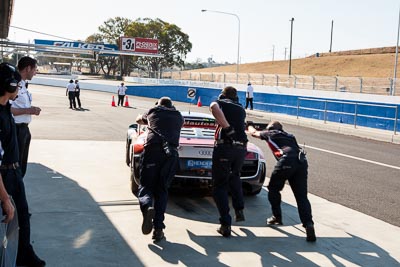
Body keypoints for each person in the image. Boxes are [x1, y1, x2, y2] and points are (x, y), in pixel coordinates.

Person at [0, 62, 46, 266]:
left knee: (23, 216)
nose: (19, 88)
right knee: (10, 215)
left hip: (14, 171)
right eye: (16, 85)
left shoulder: (6, 108)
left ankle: (24, 253)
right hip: (5, 175)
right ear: (9, 86)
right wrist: (4, 198)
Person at [247, 121, 316, 242]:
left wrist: (249, 125)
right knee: (301, 197)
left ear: (270, 128)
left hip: (286, 161)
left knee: (273, 189)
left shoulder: (270, 133)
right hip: (301, 162)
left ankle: (277, 217)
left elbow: (254, 133)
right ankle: (308, 224)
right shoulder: (290, 136)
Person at [135, 96, 184, 242]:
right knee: (162, 190)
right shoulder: (179, 116)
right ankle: (158, 229)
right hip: (171, 154)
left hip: (153, 151)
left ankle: (147, 206)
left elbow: (139, 119)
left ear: (158, 104)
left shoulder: (153, 111)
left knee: (146, 186)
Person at [209, 86, 248, 237]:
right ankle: (239, 209)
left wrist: (227, 127)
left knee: (220, 185)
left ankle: (225, 224)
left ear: (222, 95)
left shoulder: (221, 102)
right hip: (241, 149)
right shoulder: (240, 108)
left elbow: (213, 107)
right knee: (235, 176)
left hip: (225, 147)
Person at [10, 56, 41, 178]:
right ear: (28, 68)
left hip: (24, 129)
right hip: (16, 129)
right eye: (35, 69)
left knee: (21, 167)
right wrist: (28, 110)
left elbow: (20, 105)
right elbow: (8, 109)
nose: (35, 72)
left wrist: (31, 109)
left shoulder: (22, 84)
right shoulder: (14, 84)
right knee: (15, 167)